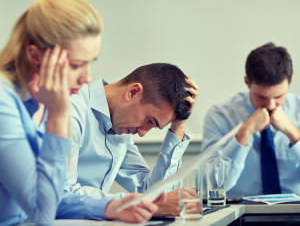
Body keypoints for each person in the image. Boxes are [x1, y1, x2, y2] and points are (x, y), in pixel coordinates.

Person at [0, 0, 165, 226]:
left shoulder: (44, 103)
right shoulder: (6, 105)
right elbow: (42, 212)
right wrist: (58, 116)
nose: (87, 77)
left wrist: (110, 207)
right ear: (36, 56)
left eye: (90, 63)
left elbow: (55, 195)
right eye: (76, 65)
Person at [68, 63, 198, 215]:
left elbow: (152, 194)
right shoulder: (71, 110)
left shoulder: (122, 129)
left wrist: (179, 126)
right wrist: (134, 204)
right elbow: (65, 194)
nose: (142, 133)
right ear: (133, 92)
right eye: (149, 120)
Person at [201, 42, 300, 196]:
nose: (271, 105)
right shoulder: (219, 115)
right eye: (261, 97)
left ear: (290, 81)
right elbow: (210, 187)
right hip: (240, 215)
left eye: (279, 96)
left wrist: (293, 133)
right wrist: (244, 133)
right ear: (247, 82)